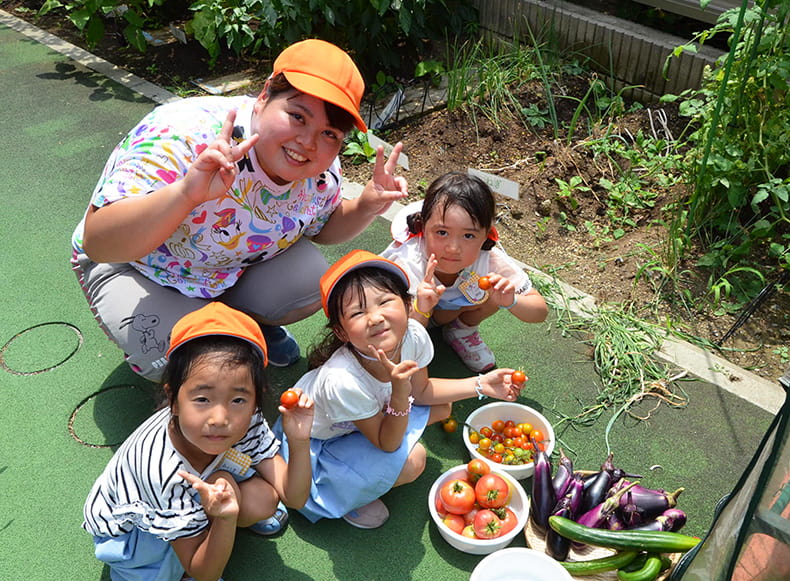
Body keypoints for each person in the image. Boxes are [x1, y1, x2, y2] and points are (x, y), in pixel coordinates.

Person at [71, 38, 407, 381]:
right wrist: (186, 193)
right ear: (264, 96)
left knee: (310, 283)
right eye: (297, 116)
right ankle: (218, 333)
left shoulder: (320, 173)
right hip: (140, 268)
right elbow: (100, 243)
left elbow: (321, 228)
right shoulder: (183, 131)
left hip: (229, 267)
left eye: (329, 133)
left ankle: (245, 324)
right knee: (194, 367)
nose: (308, 142)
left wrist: (366, 206)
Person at [272, 250, 525, 529]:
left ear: (407, 305)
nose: (375, 318)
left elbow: (424, 391)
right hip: (317, 441)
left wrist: (481, 385)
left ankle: (361, 471)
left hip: (365, 416)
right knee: (413, 461)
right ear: (342, 333)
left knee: (442, 407)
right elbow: (387, 442)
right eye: (358, 312)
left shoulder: (413, 335)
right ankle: (341, 493)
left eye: (384, 302)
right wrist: (400, 392)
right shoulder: (342, 380)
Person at [82, 302, 314, 581]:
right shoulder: (161, 471)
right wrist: (226, 519)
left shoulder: (249, 421)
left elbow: (294, 497)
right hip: (136, 534)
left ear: (256, 401)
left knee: (263, 500)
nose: (220, 418)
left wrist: (298, 440)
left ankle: (211, 524)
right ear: (173, 400)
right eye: (202, 399)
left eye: (238, 400)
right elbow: (206, 572)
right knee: (179, 570)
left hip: (200, 482)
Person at [381, 171, 548, 373]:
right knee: (398, 345)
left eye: (468, 235)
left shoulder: (489, 258)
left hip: (449, 311)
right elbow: (389, 325)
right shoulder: (406, 261)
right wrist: (421, 310)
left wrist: (511, 300)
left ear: (486, 235)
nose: (453, 248)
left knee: (497, 291)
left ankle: (461, 330)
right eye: (442, 233)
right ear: (423, 227)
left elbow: (540, 311)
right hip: (408, 318)